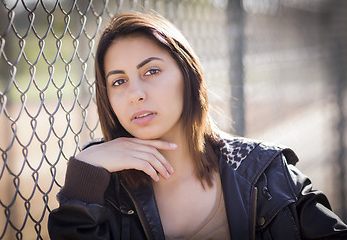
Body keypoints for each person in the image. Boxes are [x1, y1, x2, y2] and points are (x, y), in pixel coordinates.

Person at [48, 12, 347, 240]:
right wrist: (85, 169)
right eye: (118, 81)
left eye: (151, 71)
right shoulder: (105, 191)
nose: (135, 93)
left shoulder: (266, 173)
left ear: (187, 75)